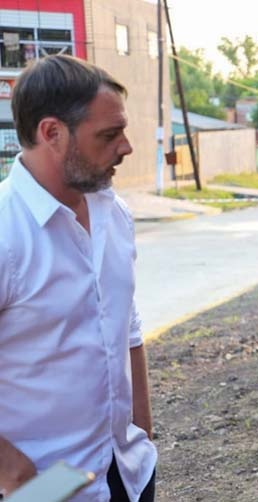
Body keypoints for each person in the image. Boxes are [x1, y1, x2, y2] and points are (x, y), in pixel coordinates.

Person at [0, 55, 156, 501]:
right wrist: (15, 476)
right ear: (52, 133)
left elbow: (127, 324)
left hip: (127, 473)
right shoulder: (6, 232)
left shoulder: (113, 212)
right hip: (42, 489)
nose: (126, 147)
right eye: (109, 135)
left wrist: (141, 430)